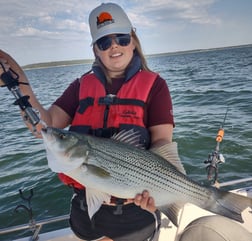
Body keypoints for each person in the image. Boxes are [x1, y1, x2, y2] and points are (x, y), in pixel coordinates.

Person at [0, 3, 184, 241]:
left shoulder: (156, 86)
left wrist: (157, 193)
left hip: (135, 214)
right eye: (104, 42)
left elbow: (162, 143)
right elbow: (47, 123)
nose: (114, 46)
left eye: (121, 38)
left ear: (134, 41)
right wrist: (21, 83)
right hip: (85, 212)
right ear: (96, 50)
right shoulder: (80, 86)